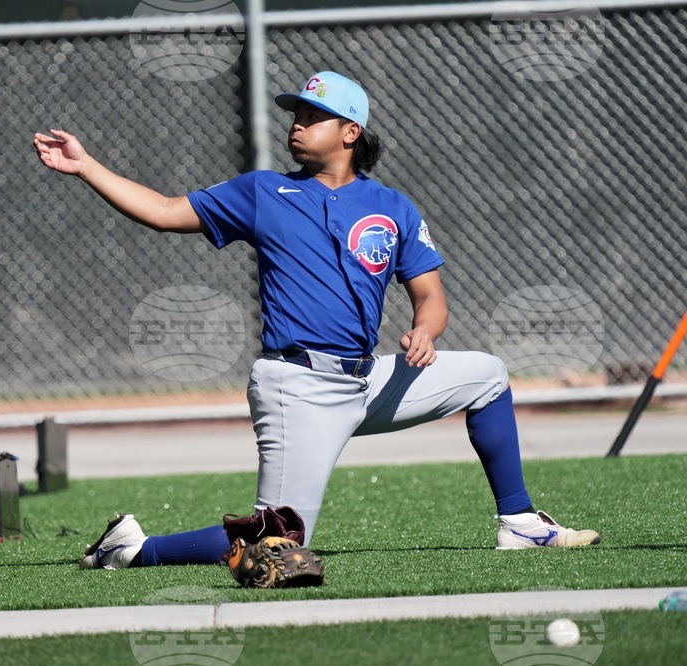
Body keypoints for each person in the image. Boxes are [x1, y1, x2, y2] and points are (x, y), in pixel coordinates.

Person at [33, 71, 600, 569]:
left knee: (487, 374)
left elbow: (431, 298)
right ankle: (131, 549)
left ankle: (521, 522)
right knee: (277, 540)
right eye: (296, 116)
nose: (297, 126)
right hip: (298, 385)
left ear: (349, 132)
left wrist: (425, 332)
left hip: (367, 378)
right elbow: (162, 211)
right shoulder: (264, 191)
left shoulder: (393, 206)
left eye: (312, 116)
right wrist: (87, 168)